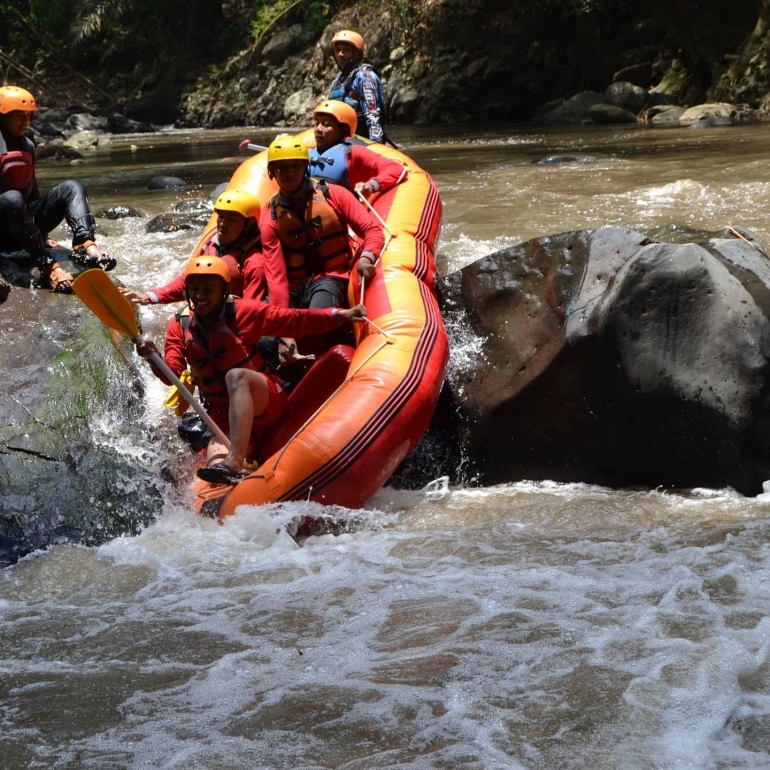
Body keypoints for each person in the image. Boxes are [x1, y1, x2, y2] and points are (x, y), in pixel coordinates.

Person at [135, 255, 367, 484]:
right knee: (216, 470)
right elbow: (172, 376)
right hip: (223, 416)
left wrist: (338, 315)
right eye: (194, 289)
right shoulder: (179, 325)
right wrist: (154, 359)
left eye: (208, 289)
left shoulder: (243, 311)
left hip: (266, 399)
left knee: (237, 376)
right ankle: (237, 470)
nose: (200, 296)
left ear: (223, 291)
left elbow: (295, 320)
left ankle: (236, 459)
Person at [0, 85, 112, 294]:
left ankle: (84, 245)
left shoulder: (27, 145)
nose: (26, 121)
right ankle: (48, 266)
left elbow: (31, 192)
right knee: (12, 199)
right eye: (18, 115)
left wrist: (41, 234)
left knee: (71, 187)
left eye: (29, 116)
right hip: (2, 230)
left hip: (22, 227)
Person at [260, 135, 384, 313]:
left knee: (317, 315)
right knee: (266, 339)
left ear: (305, 166)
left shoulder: (335, 194)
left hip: (331, 276)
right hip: (292, 286)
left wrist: (367, 258)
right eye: (282, 167)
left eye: (295, 165)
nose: (289, 173)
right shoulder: (270, 213)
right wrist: (281, 322)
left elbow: (372, 230)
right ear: (272, 171)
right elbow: (275, 273)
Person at [122, 190, 269, 306]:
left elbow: (252, 312)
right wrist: (149, 297)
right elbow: (188, 280)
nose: (223, 224)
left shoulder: (255, 262)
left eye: (231, 219)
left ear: (248, 225)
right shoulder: (212, 245)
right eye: (221, 216)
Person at [309, 100, 407, 198]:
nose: (318, 129)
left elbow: (396, 168)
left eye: (326, 124)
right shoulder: (306, 153)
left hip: (336, 209)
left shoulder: (353, 153)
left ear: (344, 130)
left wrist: (370, 186)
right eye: (317, 123)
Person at [329, 30, 387, 144]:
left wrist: (376, 143)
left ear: (356, 53)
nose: (340, 54)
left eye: (346, 50)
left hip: (362, 139)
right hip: (343, 140)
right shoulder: (338, 80)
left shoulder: (365, 76)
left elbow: (372, 114)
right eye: (337, 50)